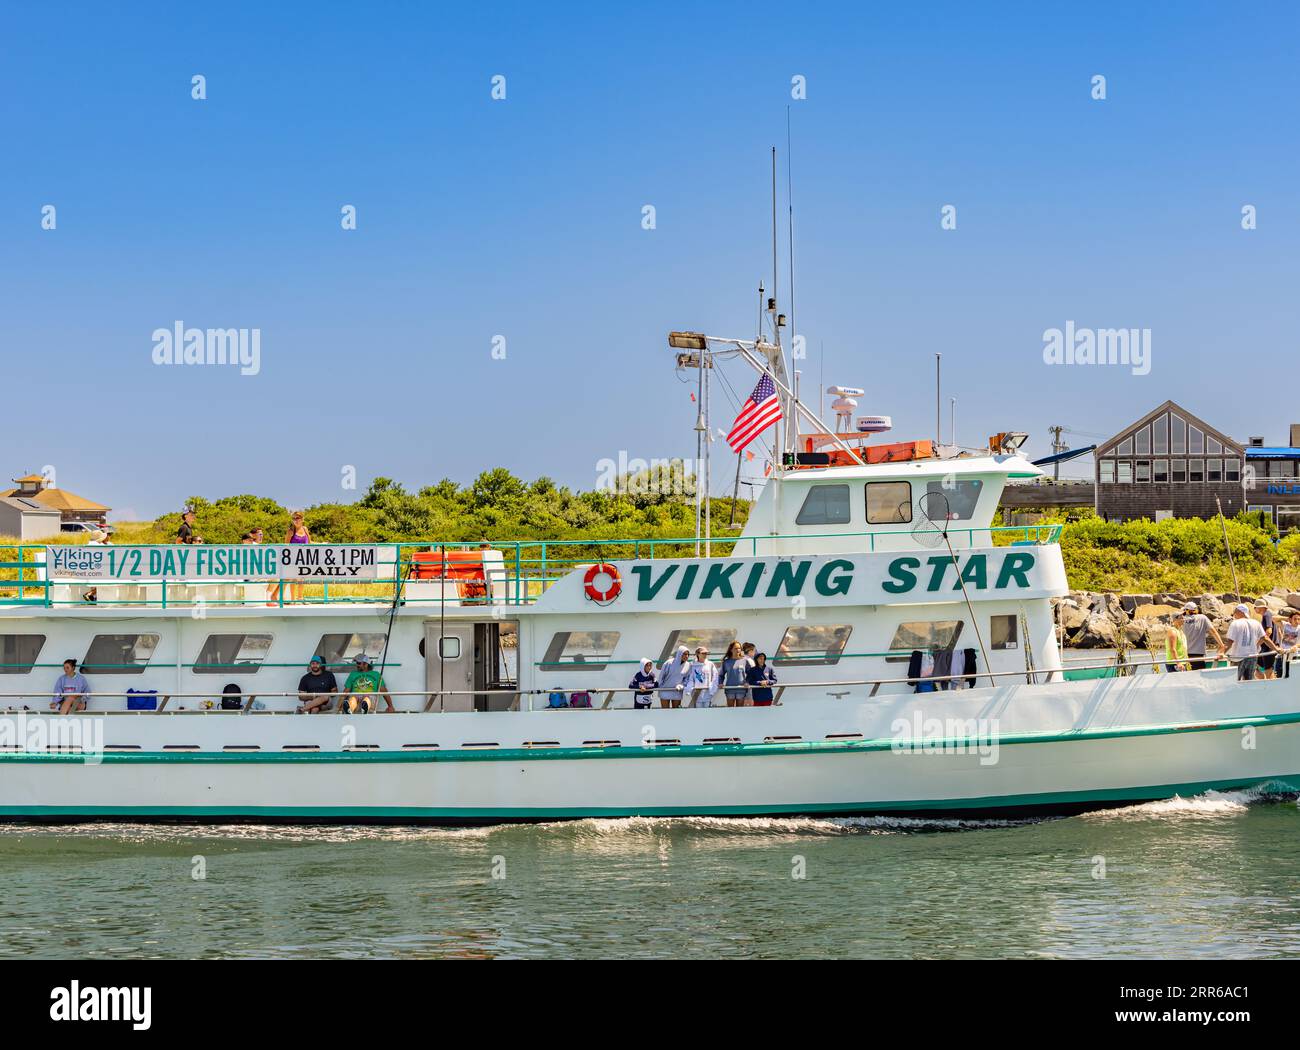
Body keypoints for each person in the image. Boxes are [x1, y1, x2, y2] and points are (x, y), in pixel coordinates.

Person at [1226, 603, 1280, 682]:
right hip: (1252, 657)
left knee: (1234, 680)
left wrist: (1221, 652)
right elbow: (1265, 638)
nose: (1234, 615)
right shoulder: (1256, 623)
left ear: (1239, 612)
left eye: (1235, 612)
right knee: (1249, 681)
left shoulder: (1235, 623)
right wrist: (1276, 649)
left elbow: (1230, 641)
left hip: (1238, 658)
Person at [1180, 602, 1224, 671]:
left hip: (1183, 654)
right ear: (1196, 610)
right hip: (1198, 654)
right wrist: (1221, 645)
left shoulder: (1181, 620)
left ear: (1186, 610)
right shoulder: (1202, 618)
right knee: (1198, 676)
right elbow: (1213, 632)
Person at [283, 512, 311, 602]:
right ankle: (292, 599)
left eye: (298, 518)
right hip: (293, 559)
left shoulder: (305, 529)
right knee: (292, 578)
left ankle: (300, 598)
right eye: (294, 518)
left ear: (302, 519)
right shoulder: (290, 531)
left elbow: (310, 543)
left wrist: (322, 544)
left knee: (301, 578)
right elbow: (286, 545)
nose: (296, 520)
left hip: (304, 558)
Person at [1253, 598, 1281, 679]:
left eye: (1255, 607)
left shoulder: (1266, 615)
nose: (1254, 609)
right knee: (1256, 666)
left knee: (1268, 670)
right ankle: (1263, 684)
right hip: (1264, 648)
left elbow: (1269, 631)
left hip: (1269, 647)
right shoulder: (1267, 615)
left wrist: (1258, 644)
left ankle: (1271, 687)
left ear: (1260, 608)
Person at [720, 641, 752, 707]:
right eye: (736, 648)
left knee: (739, 711)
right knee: (730, 710)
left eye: (739, 648)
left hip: (741, 689)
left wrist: (747, 682)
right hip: (730, 689)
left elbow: (750, 674)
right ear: (731, 650)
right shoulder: (726, 662)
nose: (738, 650)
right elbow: (721, 675)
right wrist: (720, 683)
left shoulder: (745, 661)